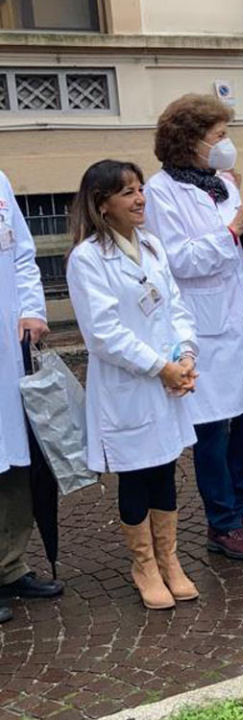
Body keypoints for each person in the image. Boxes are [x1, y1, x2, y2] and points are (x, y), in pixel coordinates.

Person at [144, 94, 243, 560]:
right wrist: (234, 229)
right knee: (212, 428)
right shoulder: (160, 193)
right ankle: (221, 522)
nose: (227, 144)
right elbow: (175, 260)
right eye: (219, 136)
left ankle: (242, 507)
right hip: (206, 325)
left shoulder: (221, 184)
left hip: (240, 317)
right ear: (190, 140)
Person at [66, 160, 200, 610]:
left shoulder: (153, 247)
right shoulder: (88, 259)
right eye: (127, 192)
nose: (140, 198)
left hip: (167, 379)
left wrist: (185, 356)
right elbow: (103, 334)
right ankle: (143, 565)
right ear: (103, 204)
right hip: (130, 384)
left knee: (165, 468)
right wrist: (159, 366)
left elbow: (176, 307)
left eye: (140, 189)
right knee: (137, 472)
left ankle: (169, 559)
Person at [0, 170, 63, 624]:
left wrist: (31, 310)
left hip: (8, 346)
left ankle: (10, 565)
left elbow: (22, 253)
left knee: (17, 459)